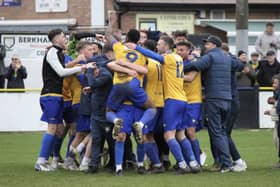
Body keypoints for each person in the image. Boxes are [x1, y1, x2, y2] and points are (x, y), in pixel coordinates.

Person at [126, 35, 199, 174]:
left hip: (170, 101)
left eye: (160, 44)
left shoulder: (167, 58)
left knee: (166, 136)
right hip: (183, 99)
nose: (157, 46)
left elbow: (154, 57)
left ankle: (177, 165)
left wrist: (136, 48)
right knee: (180, 134)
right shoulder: (178, 59)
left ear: (167, 46)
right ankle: (193, 163)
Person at [184, 35, 242, 173]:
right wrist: (232, 56)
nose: (206, 46)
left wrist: (179, 68)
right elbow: (240, 65)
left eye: (208, 44)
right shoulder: (227, 57)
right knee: (221, 131)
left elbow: (195, 66)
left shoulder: (210, 57)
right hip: (227, 99)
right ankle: (227, 162)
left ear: (215, 45)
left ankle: (226, 163)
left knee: (216, 132)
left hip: (214, 99)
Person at [34, 29, 87, 172]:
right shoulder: (52, 52)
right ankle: (41, 161)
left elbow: (64, 68)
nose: (66, 39)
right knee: (52, 128)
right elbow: (62, 72)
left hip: (56, 96)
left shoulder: (58, 53)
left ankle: (51, 160)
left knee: (59, 129)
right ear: (56, 39)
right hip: (50, 95)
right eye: (64, 37)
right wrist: (82, 67)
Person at [264, 75, 280, 168]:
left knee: (277, 140)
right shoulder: (276, 93)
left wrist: (271, 111)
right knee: (276, 140)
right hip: (277, 121)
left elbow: (278, 108)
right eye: (273, 83)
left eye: (275, 83)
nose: (273, 85)